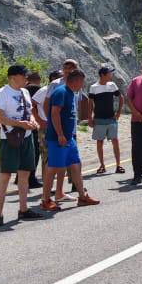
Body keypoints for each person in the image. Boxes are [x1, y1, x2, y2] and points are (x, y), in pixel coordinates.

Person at [0, 64, 45, 226]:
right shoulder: (2, 93)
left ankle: (23, 209)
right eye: (23, 75)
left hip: (27, 137)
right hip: (10, 139)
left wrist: (33, 122)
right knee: (5, 176)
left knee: (24, 174)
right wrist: (20, 124)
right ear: (13, 77)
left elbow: (29, 113)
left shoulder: (25, 92)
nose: (26, 78)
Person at [42, 68, 100, 211]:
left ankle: (82, 197)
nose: (83, 84)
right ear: (76, 81)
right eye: (82, 82)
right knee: (52, 168)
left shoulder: (71, 93)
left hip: (69, 138)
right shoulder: (61, 92)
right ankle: (45, 200)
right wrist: (60, 134)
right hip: (58, 138)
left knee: (75, 165)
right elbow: (54, 114)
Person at [88, 65, 124, 175]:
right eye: (109, 73)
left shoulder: (112, 85)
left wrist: (118, 112)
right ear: (102, 75)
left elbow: (121, 97)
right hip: (99, 119)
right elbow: (90, 103)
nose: (111, 75)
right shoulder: (94, 87)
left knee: (115, 141)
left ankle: (118, 165)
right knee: (100, 142)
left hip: (111, 118)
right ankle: (102, 165)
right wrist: (90, 118)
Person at [25, 71, 44, 189]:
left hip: (24, 124)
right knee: (35, 152)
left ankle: (21, 177)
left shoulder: (22, 89)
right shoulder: (36, 89)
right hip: (35, 123)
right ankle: (31, 179)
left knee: (26, 152)